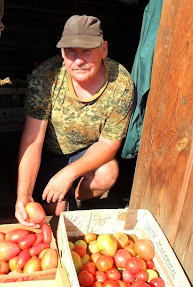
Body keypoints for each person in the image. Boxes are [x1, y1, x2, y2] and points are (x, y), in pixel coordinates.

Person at [15, 14, 134, 227]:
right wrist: (23, 195)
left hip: (88, 152)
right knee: (53, 213)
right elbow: (33, 139)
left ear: (104, 49)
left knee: (108, 173)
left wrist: (69, 174)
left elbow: (109, 144)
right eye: (71, 52)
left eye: (87, 51)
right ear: (62, 52)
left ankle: (74, 197)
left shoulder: (121, 83)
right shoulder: (45, 77)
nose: (78, 60)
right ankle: (63, 200)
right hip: (50, 154)